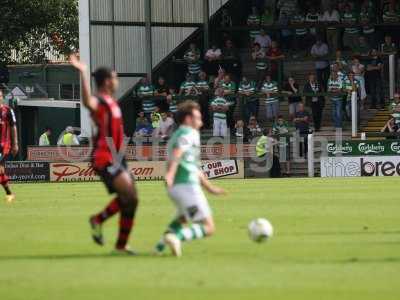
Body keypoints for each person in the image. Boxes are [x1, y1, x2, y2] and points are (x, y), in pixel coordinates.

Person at [70, 55, 139, 255]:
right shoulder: (99, 101)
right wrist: (83, 72)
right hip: (105, 158)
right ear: (108, 81)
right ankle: (115, 240)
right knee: (128, 195)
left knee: (131, 199)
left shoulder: (111, 101)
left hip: (117, 157)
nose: (117, 81)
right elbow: (87, 102)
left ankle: (111, 236)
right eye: (115, 78)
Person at [155, 101, 225, 257]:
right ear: (188, 119)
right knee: (208, 227)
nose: (201, 120)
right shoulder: (189, 133)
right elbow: (178, 154)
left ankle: (158, 248)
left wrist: (209, 188)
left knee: (181, 219)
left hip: (176, 188)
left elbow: (193, 165)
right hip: (186, 186)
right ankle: (176, 238)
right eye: (197, 117)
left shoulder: (177, 134)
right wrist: (171, 174)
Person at [0, 89, 18, 203]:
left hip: (3, 145)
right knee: (1, 170)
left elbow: (13, 127)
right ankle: (9, 193)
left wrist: (15, 144)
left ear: (2, 97)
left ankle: (9, 193)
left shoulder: (7, 110)